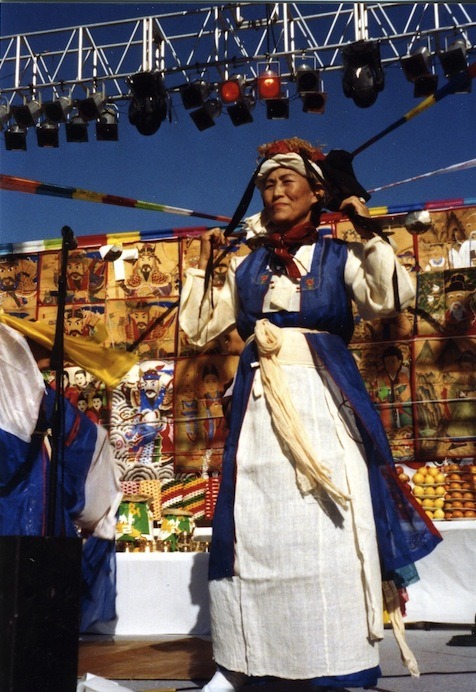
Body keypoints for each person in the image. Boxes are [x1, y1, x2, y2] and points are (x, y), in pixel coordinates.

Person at [179, 138, 441, 691]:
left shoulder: (337, 256)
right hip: (259, 413)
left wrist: (364, 227)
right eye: (268, 183)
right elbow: (200, 328)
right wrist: (208, 267)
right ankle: (251, 661)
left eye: (287, 182)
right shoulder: (246, 266)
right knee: (258, 524)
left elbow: (391, 294)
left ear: (315, 192)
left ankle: (340, 662)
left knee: (333, 521)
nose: (275, 190)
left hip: (324, 403)